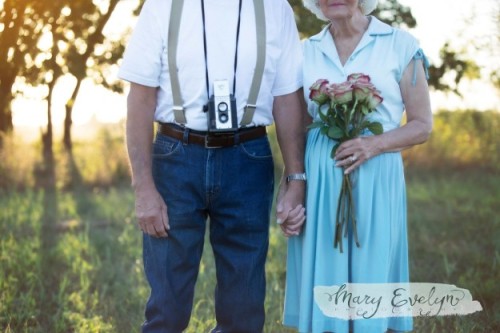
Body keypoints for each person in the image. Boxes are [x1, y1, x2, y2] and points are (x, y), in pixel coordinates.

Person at [118, 0, 307, 332]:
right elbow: (140, 97)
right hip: (175, 157)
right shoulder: (163, 5)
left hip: (248, 157)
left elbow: (287, 97)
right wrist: (143, 188)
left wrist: (296, 178)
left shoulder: (275, 8)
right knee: (167, 305)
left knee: (244, 306)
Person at [281, 0, 433, 332]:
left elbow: (422, 125)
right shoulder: (304, 52)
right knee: (326, 273)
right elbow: (296, 128)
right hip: (321, 177)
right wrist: (292, 188)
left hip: (377, 173)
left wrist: (372, 144)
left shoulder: (400, 44)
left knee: (371, 269)